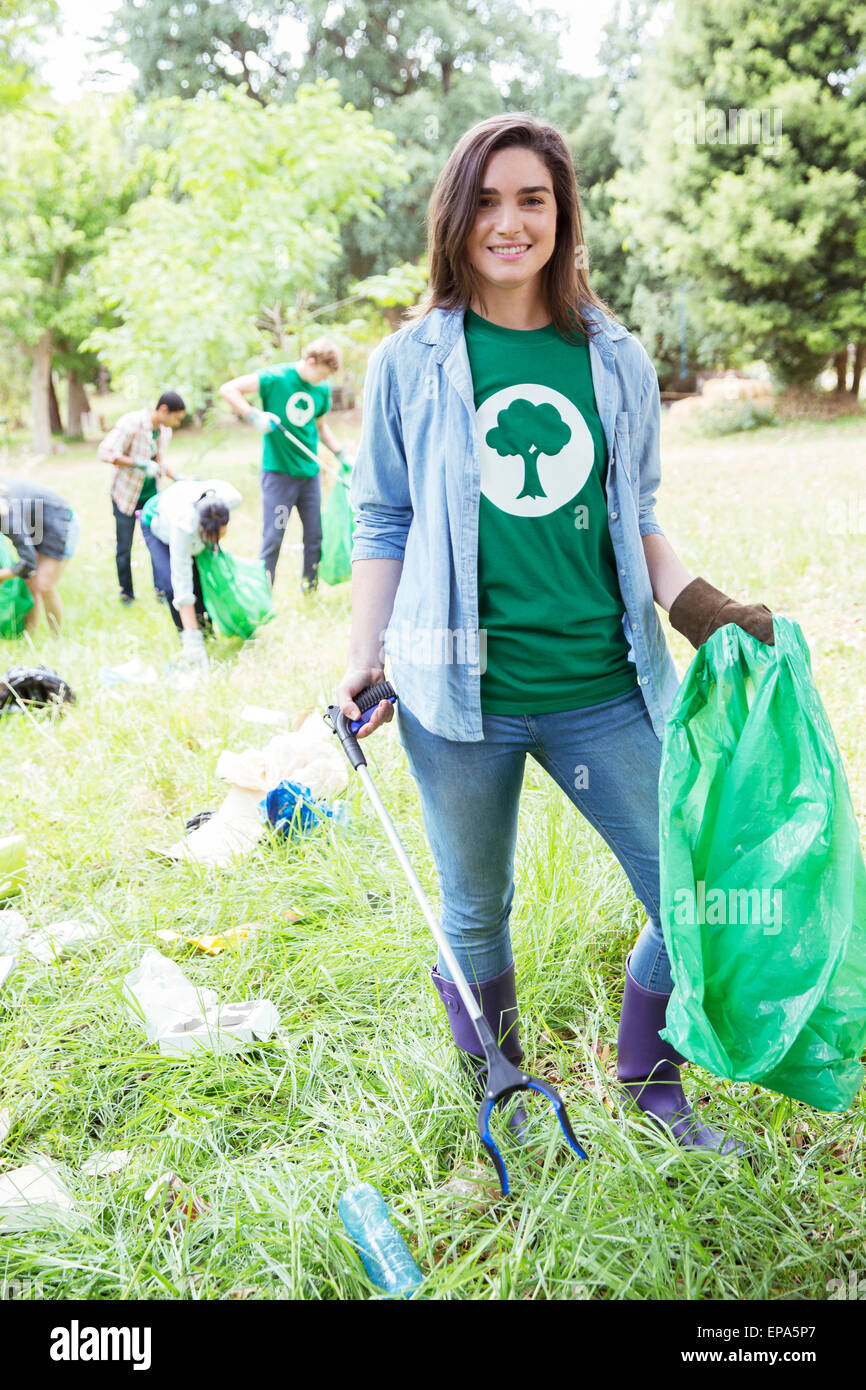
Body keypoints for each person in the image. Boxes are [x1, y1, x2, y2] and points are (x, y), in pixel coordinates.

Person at [336, 113, 776, 1156]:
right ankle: (501, 1087)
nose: (508, 221)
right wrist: (364, 653)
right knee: (473, 908)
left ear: (561, 213)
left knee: (690, 891)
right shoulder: (409, 360)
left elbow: (638, 515)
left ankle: (649, 1075)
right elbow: (382, 520)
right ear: (455, 215)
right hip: (454, 699)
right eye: (486, 199)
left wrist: (703, 606)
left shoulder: (612, 357)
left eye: (531, 198)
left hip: (602, 686)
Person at [218, 338, 350, 594]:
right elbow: (228, 389)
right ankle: (263, 591)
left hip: (309, 475)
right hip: (279, 475)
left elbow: (320, 427)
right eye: (321, 374)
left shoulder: (320, 391)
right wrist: (254, 415)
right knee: (274, 536)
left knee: (315, 536)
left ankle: (309, 588)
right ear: (311, 361)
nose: (322, 381)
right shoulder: (275, 377)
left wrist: (340, 453)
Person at [140, 477, 242, 675]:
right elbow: (181, 583)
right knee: (171, 585)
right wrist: (192, 642)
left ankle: (206, 631)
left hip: (184, 499)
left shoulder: (229, 500)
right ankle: (189, 637)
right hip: (157, 521)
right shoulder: (183, 527)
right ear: (202, 528)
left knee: (200, 580)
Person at [97, 391, 185, 605]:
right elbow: (105, 452)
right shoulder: (132, 423)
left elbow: (158, 460)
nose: (176, 423)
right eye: (176, 417)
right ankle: (126, 593)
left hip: (150, 496)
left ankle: (162, 590)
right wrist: (137, 462)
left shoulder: (164, 431)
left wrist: (178, 478)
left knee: (157, 542)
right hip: (125, 495)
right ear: (164, 409)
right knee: (124, 547)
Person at [0, 477, 80, 634]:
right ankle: (30, 637)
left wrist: (3, 575)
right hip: (36, 525)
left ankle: (56, 640)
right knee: (30, 582)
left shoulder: (9, 519)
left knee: (44, 584)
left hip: (62, 523)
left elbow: (28, 563)